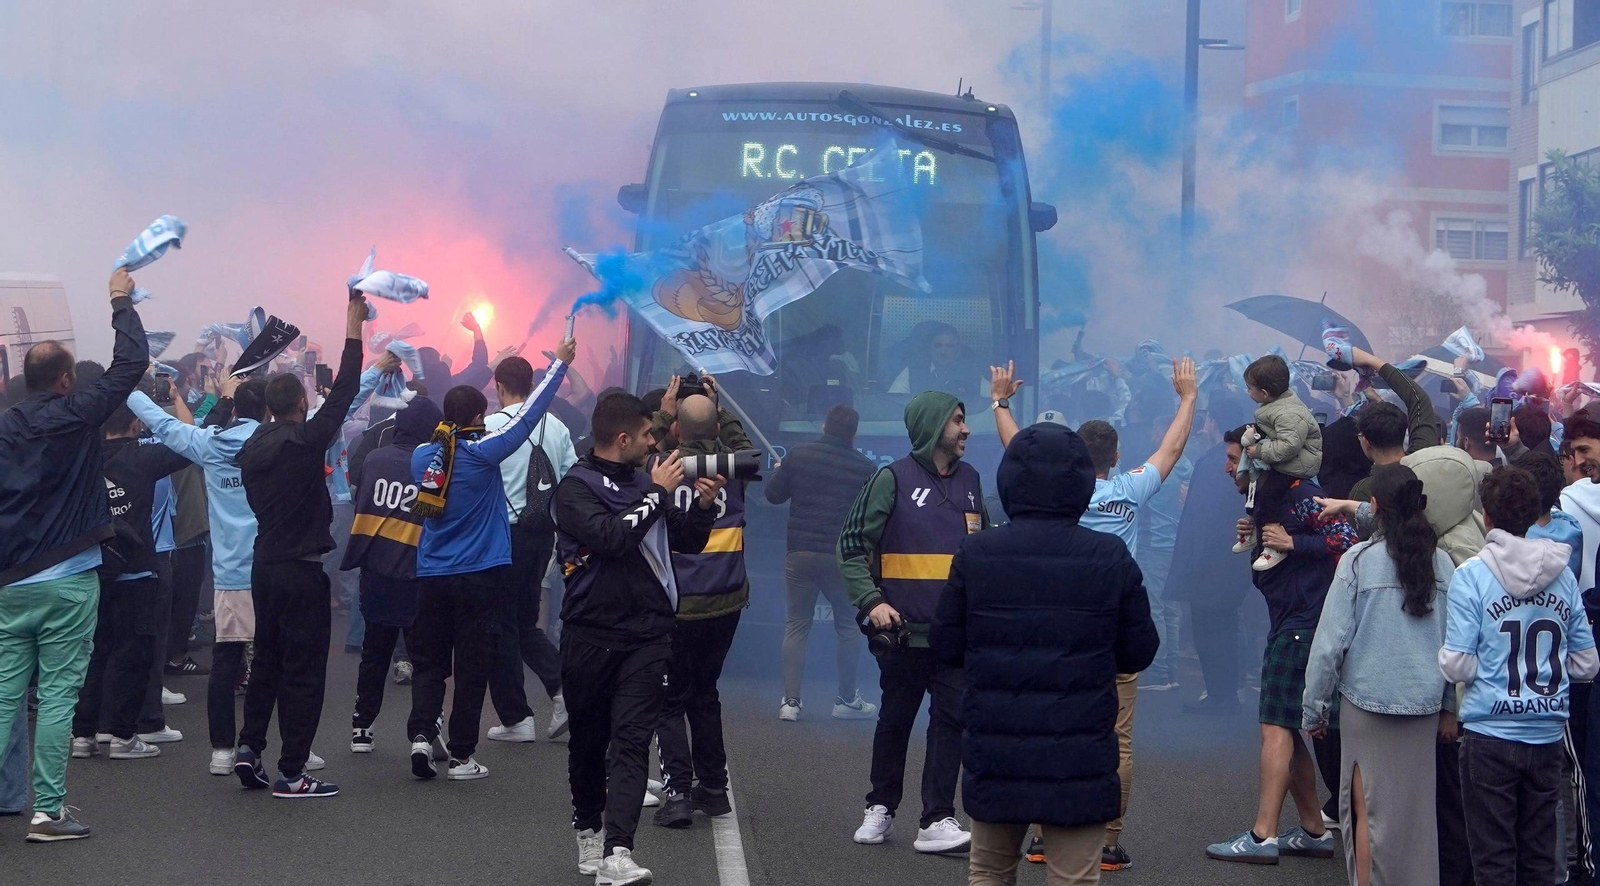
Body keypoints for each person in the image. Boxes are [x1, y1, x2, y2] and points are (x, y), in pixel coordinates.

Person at [931, 423, 1159, 886]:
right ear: (1079, 483)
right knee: (1074, 878)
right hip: (1078, 752)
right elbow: (1139, 650)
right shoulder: (1110, 555)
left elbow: (945, 645)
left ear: (1010, 480)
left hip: (997, 747)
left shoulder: (977, 553)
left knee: (990, 872)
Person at [991, 358, 1194, 871]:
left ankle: (1040, 836)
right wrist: (1188, 397)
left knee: (1048, 723)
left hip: (1055, 622)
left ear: (1079, 458)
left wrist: (1000, 402)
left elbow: (1017, 449)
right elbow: (1170, 450)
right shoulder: (1129, 489)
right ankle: (1107, 842)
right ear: (1117, 456)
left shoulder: (1060, 490)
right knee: (1116, 736)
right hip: (1111, 625)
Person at [0, 269, 147, 841]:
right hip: (68, 576)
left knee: (7, 693)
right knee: (59, 693)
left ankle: (18, 800)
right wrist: (120, 301)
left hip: (10, 580)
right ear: (64, 380)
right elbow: (128, 367)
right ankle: (48, 811)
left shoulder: (5, 429)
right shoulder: (78, 413)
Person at [555, 392, 721, 884]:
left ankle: (618, 852)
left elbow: (685, 541)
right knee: (588, 745)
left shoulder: (649, 480)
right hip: (589, 634)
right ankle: (587, 830)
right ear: (623, 438)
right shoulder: (574, 488)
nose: (656, 441)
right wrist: (655, 494)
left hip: (648, 636)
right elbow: (610, 538)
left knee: (632, 742)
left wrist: (705, 507)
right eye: (648, 435)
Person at [404, 343, 571, 782]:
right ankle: (461, 757)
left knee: (430, 663)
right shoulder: (482, 455)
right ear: (479, 419)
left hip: (433, 576)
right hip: (480, 576)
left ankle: (422, 735)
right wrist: (559, 366)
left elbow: (442, 449)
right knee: (472, 668)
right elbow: (529, 417)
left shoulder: (424, 457)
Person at [840, 389, 987, 855]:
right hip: (904, 636)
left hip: (956, 636)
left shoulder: (972, 480)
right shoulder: (891, 479)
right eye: (958, 420)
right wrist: (871, 603)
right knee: (896, 719)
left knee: (950, 722)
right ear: (932, 426)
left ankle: (937, 818)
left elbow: (978, 553)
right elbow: (849, 548)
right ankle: (880, 807)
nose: (966, 429)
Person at [232, 295, 368, 799]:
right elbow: (348, 389)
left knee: (266, 659)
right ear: (303, 404)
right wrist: (353, 326)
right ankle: (292, 772)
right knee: (305, 670)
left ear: (268, 407)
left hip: (263, 566)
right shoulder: (306, 442)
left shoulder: (251, 447)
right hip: (301, 569)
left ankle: (249, 750)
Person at [1206, 426, 1357, 865]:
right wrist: (1255, 535)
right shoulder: (1266, 499)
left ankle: (1262, 835)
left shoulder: (1300, 493)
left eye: (1234, 458)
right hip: (1292, 621)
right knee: (1287, 728)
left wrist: (1294, 542)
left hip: (1303, 625)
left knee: (1275, 726)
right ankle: (1312, 828)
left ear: (1259, 460)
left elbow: (1348, 540)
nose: (1227, 466)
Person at [1302, 463, 1457, 886]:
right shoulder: (1444, 564)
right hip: (1424, 708)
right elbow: (1456, 644)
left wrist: (1313, 707)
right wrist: (1448, 708)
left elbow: (1330, 643)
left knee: (1365, 812)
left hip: (1365, 707)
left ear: (1375, 506)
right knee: (1417, 817)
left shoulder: (1359, 561)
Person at [1442, 465, 1598, 885]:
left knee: (1492, 862)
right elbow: (1587, 664)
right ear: (1534, 514)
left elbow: (1455, 663)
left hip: (1489, 735)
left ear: (1486, 515)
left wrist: (1489, 670)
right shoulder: (1562, 576)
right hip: (1546, 733)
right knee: (1538, 862)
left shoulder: (1470, 576)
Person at [127, 373, 267, 777]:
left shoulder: (209, 445)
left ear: (236, 408)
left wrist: (128, 390)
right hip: (274, 568)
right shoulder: (284, 444)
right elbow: (335, 409)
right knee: (280, 662)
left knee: (226, 661)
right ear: (270, 409)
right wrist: (374, 369)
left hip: (229, 575)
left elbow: (165, 424)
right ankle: (291, 747)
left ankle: (223, 750)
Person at [650, 393, 755, 827]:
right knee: (705, 693)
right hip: (726, 600)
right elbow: (741, 441)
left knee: (668, 701)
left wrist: (665, 412)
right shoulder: (736, 467)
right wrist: (720, 405)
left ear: (676, 428)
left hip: (676, 604)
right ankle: (713, 789)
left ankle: (676, 793)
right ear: (716, 429)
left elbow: (635, 451)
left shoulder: (660, 469)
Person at [70, 394, 193, 762]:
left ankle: (83, 735)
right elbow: (190, 443)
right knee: (134, 654)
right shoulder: (142, 455)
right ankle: (124, 736)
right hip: (137, 569)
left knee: (94, 654)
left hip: (91, 570)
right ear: (136, 423)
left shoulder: (82, 459)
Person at [483, 355, 577, 744]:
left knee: (498, 625)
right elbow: (572, 480)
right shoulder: (556, 426)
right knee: (523, 623)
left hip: (502, 535)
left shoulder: (489, 425)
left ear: (499, 387)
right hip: (543, 535)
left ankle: (517, 718)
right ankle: (563, 694)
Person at [341, 396, 441, 754]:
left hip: (376, 570)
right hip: (417, 571)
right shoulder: (431, 464)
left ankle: (362, 729)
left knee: (374, 653)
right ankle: (422, 733)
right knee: (425, 658)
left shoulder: (373, 459)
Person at [767, 404, 878, 722]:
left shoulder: (798, 456)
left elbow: (773, 496)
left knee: (797, 624)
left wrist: (781, 472)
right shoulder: (865, 468)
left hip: (800, 553)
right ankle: (845, 700)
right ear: (854, 434)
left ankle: (791, 702)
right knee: (847, 625)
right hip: (842, 557)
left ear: (824, 426)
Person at [1171, 402, 1251, 716]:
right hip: (1230, 560)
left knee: (1212, 630)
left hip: (1211, 563)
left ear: (1215, 423)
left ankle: (1222, 695)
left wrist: (1193, 564)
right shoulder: (1231, 458)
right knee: (1227, 626)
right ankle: (1227, 691)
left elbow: (1205, 518)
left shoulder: (1215, 460)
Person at [1235, 355, 1324, 571]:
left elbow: (1289, 446)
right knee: (1255, 488)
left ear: (1264, 393)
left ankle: (1274, 543)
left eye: (1249, 388)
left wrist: (1260, 450)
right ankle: (1258, 529)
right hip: (1287, 459)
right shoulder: (1277, 405)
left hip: (1299, 463)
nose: (1248, 392)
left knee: (1268, 493)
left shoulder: (1288, 413)